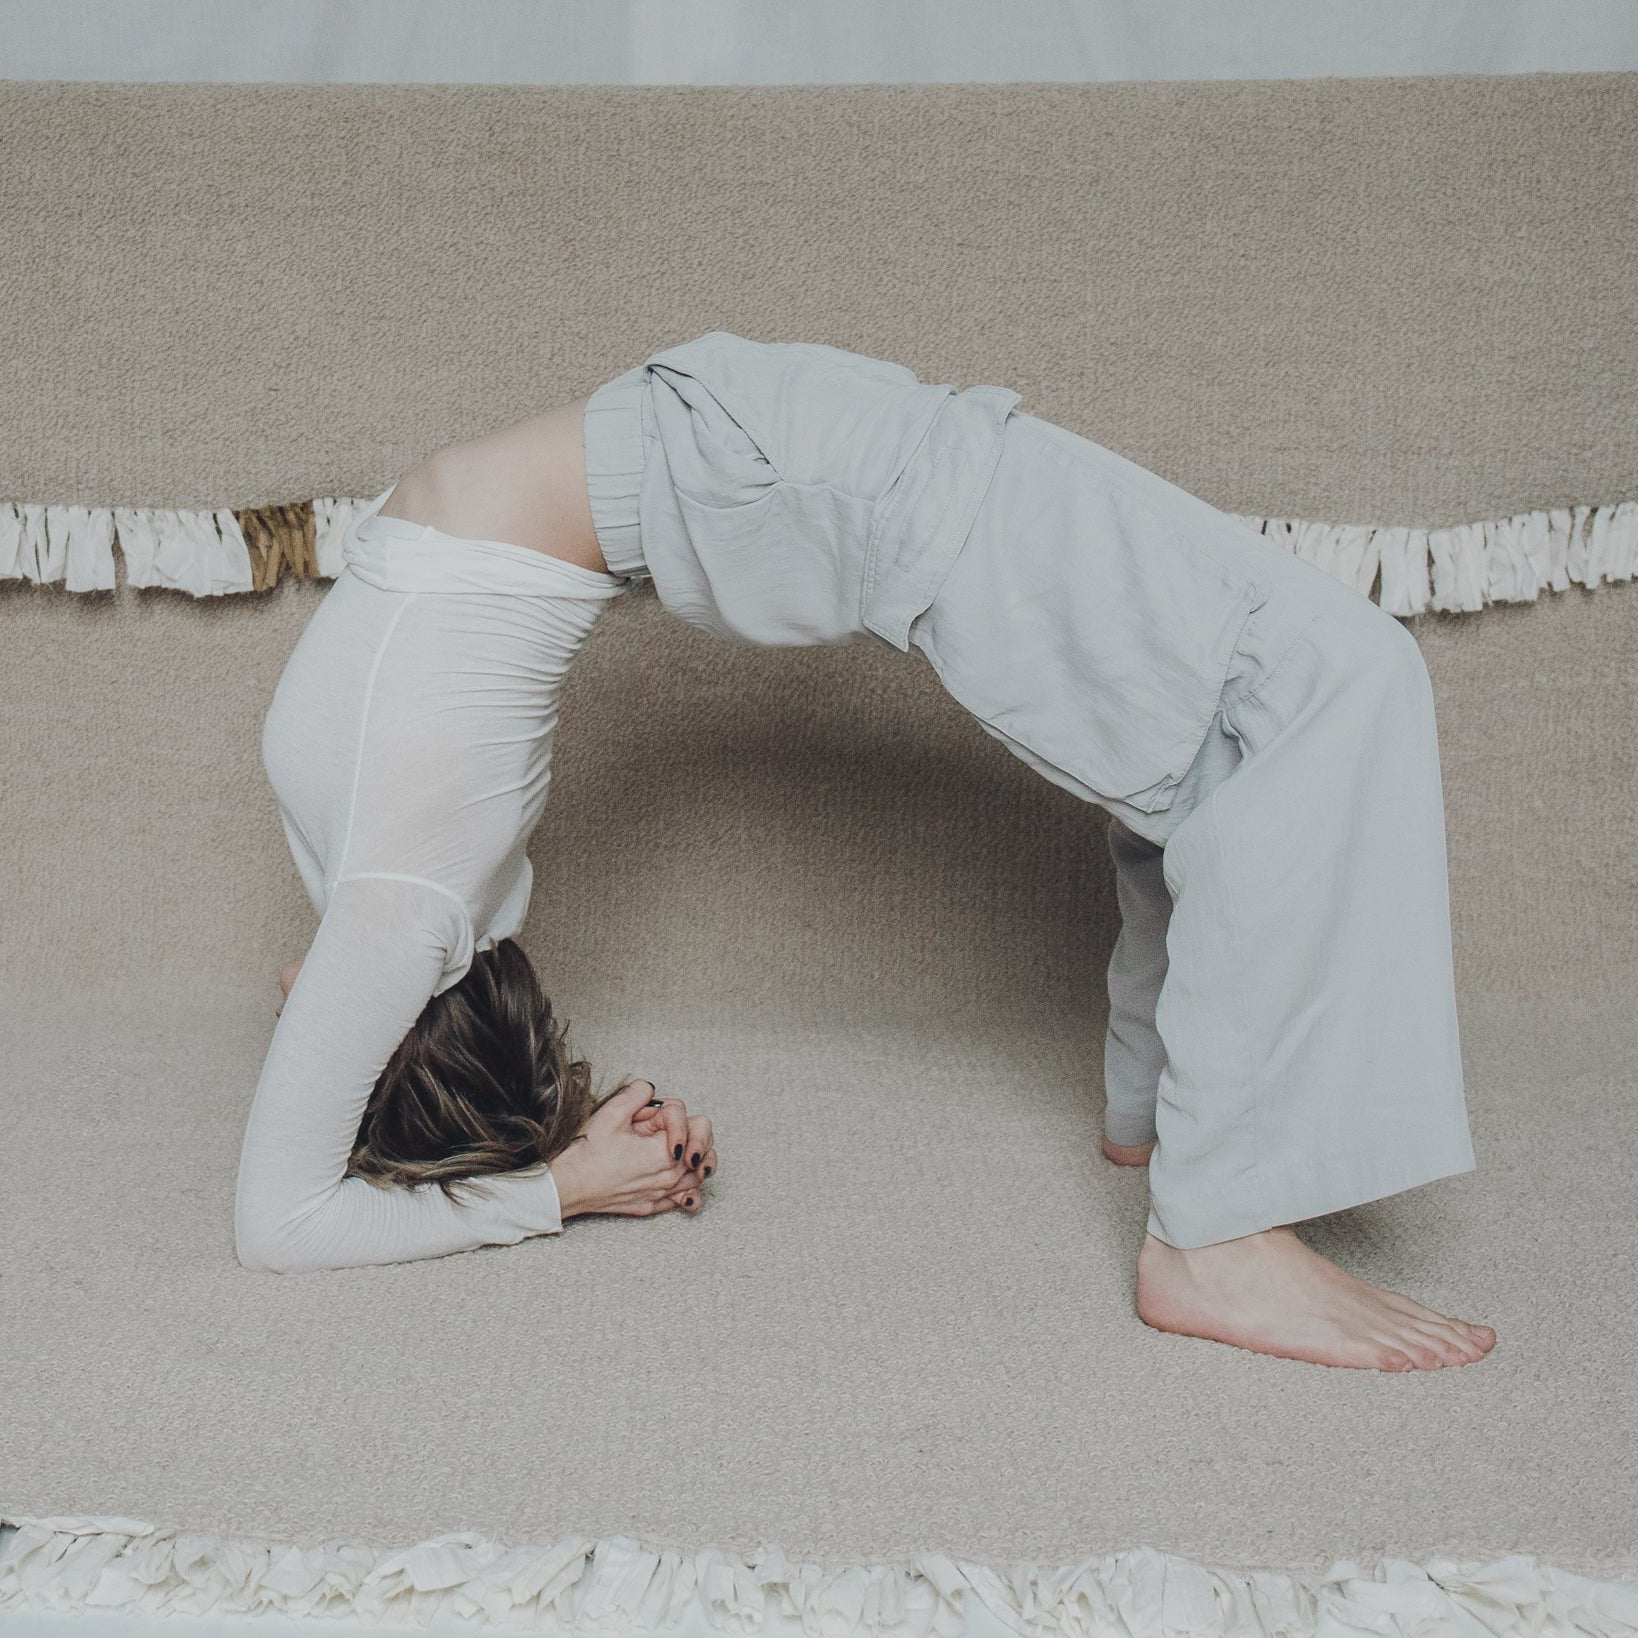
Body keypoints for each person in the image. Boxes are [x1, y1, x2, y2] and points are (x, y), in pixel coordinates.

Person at [240, 329, 1497, 1376]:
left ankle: (1165, 1117)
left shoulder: (402, 884)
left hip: (771, 457)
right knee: (1326, 677)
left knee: (1220, 723)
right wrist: (559, 1182)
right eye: (331, 1055)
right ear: (394, 1030)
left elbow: (375, 1093)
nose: (293, 1024)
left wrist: (569, 1137)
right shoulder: (403, 906)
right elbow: (278, 1225)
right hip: (799, 468)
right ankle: (1209, 1238)